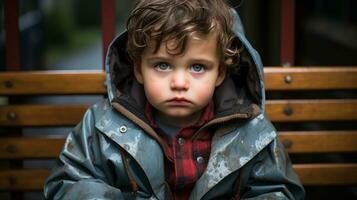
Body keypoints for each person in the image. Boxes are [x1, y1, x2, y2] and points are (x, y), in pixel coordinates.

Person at [44, 0, 305, 199]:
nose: (179, 83)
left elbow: (277, 190)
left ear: (220, 74)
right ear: (138, 69)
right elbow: (69, 182)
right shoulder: (102, 126)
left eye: (198, 67)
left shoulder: (251, 131)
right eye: (162, 66)